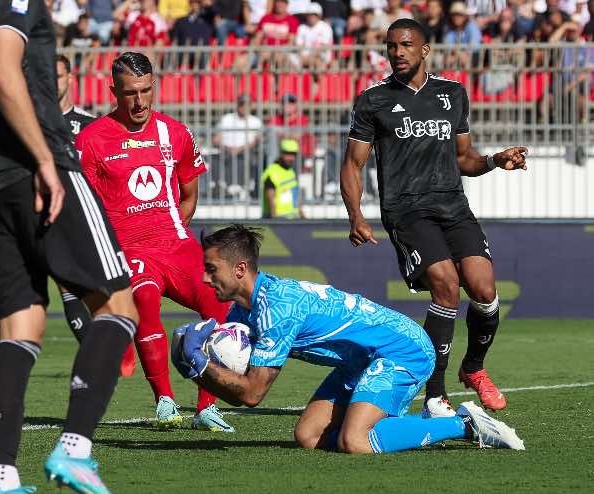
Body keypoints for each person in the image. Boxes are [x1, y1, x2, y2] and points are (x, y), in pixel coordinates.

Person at [0, 0, 139, 492]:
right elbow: (0, 70)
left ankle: (1, 477)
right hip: (37, 165)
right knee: (119, 304)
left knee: (21, 326)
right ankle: (75, 448)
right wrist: (43, 159)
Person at [171, 224, 525, 454]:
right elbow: (242, 381)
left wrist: (200, 366)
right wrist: (202, 360)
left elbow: (251, 393)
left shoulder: (276, 309)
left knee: (354, 441)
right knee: (309, 437)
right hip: (362, 359)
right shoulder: (243, 310)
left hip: (404, 349)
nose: (204, 278)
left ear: (240, 269)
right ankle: (389, 423)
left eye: (211, 269)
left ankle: (464, 424)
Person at [340, 19, 528, 419]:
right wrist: (355, 214)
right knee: (446, 284)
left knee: (483, 287)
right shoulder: (372, 100)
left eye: (406, 45)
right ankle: (435, 393)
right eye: (391, 46)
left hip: (453, 205)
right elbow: (353, 165)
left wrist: (496, 160)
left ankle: (473, 368)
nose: (398, 52)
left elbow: (464, 158)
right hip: (406, 210)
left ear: (425, 49)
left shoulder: (452, 94)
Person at [77, 51, 235, 433]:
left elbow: (189, 194)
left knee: (222, 301)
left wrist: (171, 228)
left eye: (147, 90)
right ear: (113, 90)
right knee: (145, 298)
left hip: (174, 243)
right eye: (131, 93)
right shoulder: (92, 140)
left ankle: (207, 407)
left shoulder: (175, 133)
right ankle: (164, 399)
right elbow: (86, 208)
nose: (141, 101)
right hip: (128, 249)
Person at [55, 54, 97, 345]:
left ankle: (106, 350)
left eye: (57, 75)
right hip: (52, 216)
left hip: (89, 216)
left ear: (70, 79)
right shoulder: (31, 121)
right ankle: (95, 355)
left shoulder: (90, 125)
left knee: (102, 292)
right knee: (66, 287)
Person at [212, 94, 263, 199]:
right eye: (241, 104)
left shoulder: (256, 122)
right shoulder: (226, 119)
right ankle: (223, 188)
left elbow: (257, 140)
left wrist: (240, 149)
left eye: (247, 104)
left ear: (251, 106)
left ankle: (237, 187)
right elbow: (216, 139)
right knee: (212, 159)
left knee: (247, 158)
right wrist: (227, 148)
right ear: (237, 105)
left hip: (246, 152)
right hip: (225, 150)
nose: (244, 107)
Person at [261, 139, 304, 219]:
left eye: (293, 154)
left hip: (293, 217)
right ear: (281, 154)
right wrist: (274, 219)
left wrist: (302, 215)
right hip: (278, 219)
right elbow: (270, 198)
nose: (291, 158)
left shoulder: (291, 171)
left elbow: (295, 196)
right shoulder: (271, 172)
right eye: (288, 154)